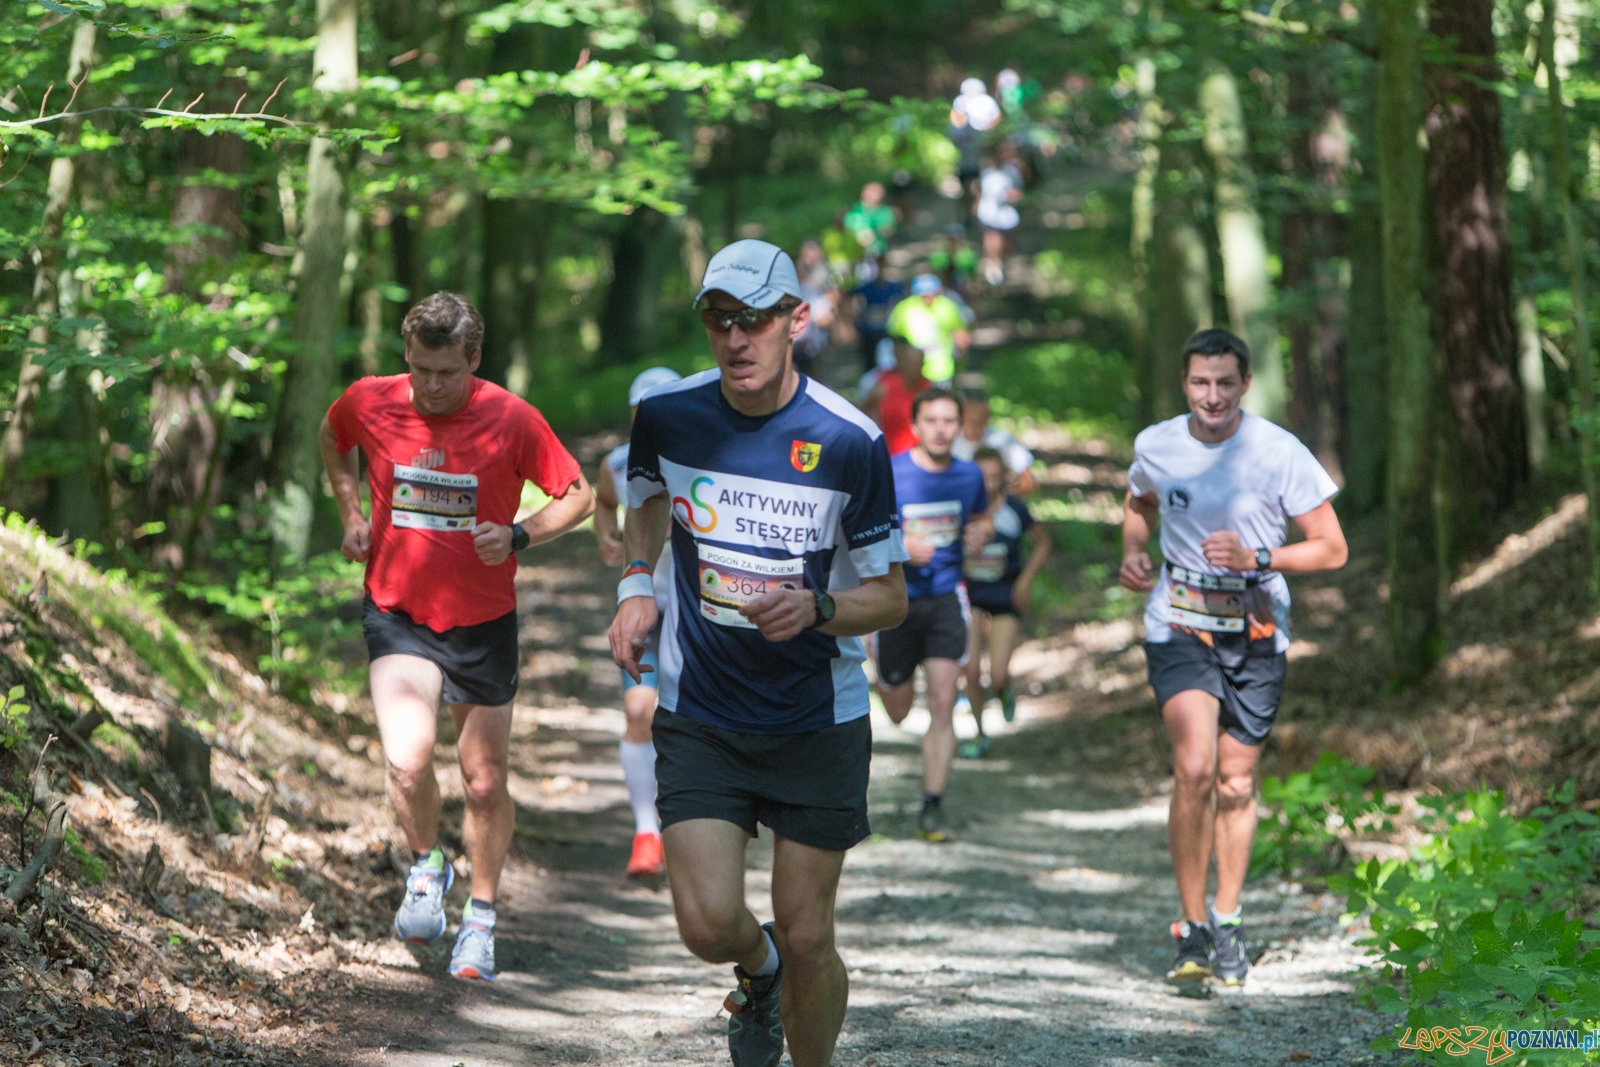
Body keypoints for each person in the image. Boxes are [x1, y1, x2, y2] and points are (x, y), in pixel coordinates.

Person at [607, 239, 909, 1067]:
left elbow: (891, 595)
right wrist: (638, 582)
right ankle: (758, 967)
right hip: (702, 708)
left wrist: (818, 607)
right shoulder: (669, 418)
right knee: (706, 924)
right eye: (717, 320)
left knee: (812, 933)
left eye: (753, 320)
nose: (735, 338)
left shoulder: (849, 440)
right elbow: (644, 503)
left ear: (795, 320)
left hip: (817, 715)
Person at [321, 292, 595, 982]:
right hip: (398, 611)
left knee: (483, 779)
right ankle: (426, 864)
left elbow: (580, 494)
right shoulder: (373, 400)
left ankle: (480, 918)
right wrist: (352, 512)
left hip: (481, 621)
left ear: (474, 359)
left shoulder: (511, 417)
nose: (431, 387)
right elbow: (334, 438)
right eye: (419, 370)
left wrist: (520, 533)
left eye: (446, 372)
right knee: (407, 761)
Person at [1118, 328, 1348, 989]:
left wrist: (1259, 559)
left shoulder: (1278, 451)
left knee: (1236, 782)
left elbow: (1331, 549)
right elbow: (1138, 504)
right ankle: (1191, 929)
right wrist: (1135, 551)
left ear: (1245, 383)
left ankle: (1228, 920)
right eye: (1199, 382)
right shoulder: (1157, 444)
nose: (1211, 395)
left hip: (1255, 627)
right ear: (1184, 384)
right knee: (1194, 767)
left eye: (1224, 382)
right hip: (1180, 622)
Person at [877, 388, 987, 843]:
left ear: (959, 427)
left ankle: (931, 805)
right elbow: (858, 535)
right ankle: (885, 676)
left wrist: (979, 534)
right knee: (899, 710)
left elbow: (978, 518)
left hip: (944, 598)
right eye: (932, 420)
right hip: (895, 601)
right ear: (916, 426)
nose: (941, 429)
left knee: (943, 701)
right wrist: (900, 549)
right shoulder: (891, 472)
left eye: (949, 421)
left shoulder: (970, 476)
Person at [594, 366, 683, 881]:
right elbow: (603, 502)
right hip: (644, 605)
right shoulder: (618, 462)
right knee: (637, 712)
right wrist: (606, 537)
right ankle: (646, 833)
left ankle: (690, 824)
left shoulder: (703, 455)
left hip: (697, 609)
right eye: (641, 409)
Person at [959, 447, 1050, 755]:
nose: (988, 483)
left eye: (995, 477)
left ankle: (1004, 691)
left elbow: (1042, 544)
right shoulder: (961, 506)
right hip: (968, 595)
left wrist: (1024, 581)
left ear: (1004, 477)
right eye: (982, 477)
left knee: (997, 672)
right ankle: (979, 733)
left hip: (1004, 595)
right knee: (970, 668)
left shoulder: (1014, 509)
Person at [886, 274, 971, 386]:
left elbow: (961, 336)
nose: (927, 297)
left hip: (942, 369)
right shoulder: (904, 308)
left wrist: (959, 362)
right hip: (912, 371)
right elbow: (895, 339)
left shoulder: (948, 307)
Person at [950, 390, 1037, 494]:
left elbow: (1027, 482)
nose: (974, 425)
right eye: (969, 419)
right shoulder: (950, 443)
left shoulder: (1003, 441)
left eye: (980, 419)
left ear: (988, 417)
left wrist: (1003, 500)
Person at [861, 337, 929, 455]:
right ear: (902, 364)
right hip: (891, 455)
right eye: (911, 363)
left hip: (921, 456)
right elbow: (863, 413)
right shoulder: (884, 388)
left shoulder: (930, 390)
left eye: (918, 364)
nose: (915, 368)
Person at [976, 151, 1022, 285]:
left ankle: (1002, 265)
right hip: (989, 213)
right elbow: (981, 191)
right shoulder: (986, 173)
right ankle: (992, 268)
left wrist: (1010, 196)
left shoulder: (1012, 173)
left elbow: (1019, 191)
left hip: (1006, 215)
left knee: (1006, 244)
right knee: (991, 239)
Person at [852, 267, 906, 374]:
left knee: (888, 362)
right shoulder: (867, 287)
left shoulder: (894, 287)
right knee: (870, 363)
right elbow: (851, 295)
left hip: (886, 331)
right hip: (869, 333)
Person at [843, 181, 896, 260]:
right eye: (873, 193)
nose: (876, 196)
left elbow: (890, 229)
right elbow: (846, 228)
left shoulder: (885, 211)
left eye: (878, 193)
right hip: (855, 252)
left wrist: (877, 231)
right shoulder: (856, 210)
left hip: (878, 250)